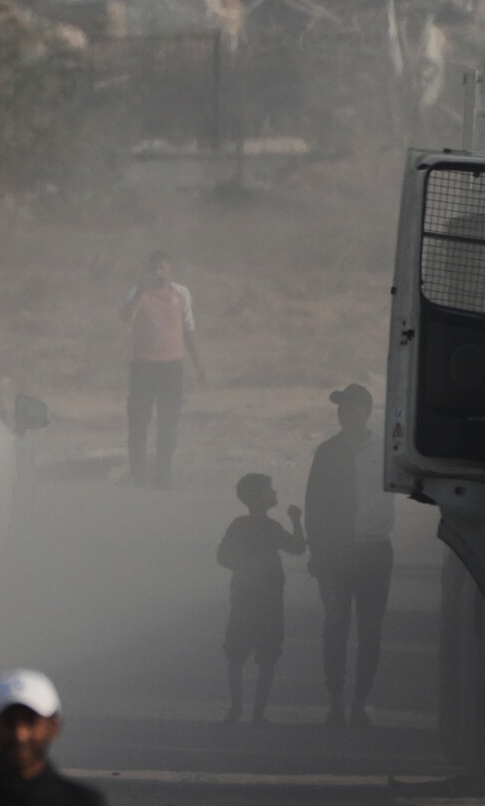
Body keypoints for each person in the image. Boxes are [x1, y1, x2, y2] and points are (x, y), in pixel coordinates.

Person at [304, 383, 396, 727]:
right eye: (341, 410)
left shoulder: (386, 449)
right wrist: (317, 549)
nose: (345, 415)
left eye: (352, 408)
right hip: (337, 553)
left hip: (375, 550)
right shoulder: (327, 451)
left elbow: (406, 452)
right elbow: (313, 504)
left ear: (367, 411)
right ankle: (336, 701)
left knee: (370, 631)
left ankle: (359, 702)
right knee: (336, 627)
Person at [0, 669, 105, 806]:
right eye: (9, 722)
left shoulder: (82, 802)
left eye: (30, 722)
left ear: (54, 727)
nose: (20, 735)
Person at [217, 473, 307, 725]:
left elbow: (222, 556)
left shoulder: (239, 525)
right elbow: (298, 547)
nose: (275, 493)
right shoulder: (271, 528)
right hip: (268, 602)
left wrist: (243, 568)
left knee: (236, 655)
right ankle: (258, 712)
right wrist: (296, 520)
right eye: (270, 490)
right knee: (267, 657)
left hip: (243, 598)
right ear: (259, 496)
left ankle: (236, 707)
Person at [119, 250, 204, 488]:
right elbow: (125, 317)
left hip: (172, 369)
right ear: (148, 268)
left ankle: (162, 476)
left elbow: (189, 329)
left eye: (163, 267)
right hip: (143, 367)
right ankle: (138, 475)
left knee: (168, 424)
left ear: (170, 269)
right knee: (138, 422)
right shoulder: (138, 291)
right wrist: (140, 293)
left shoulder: (182, 293)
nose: (158, 272)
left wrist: (198, 365)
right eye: (154, 267)